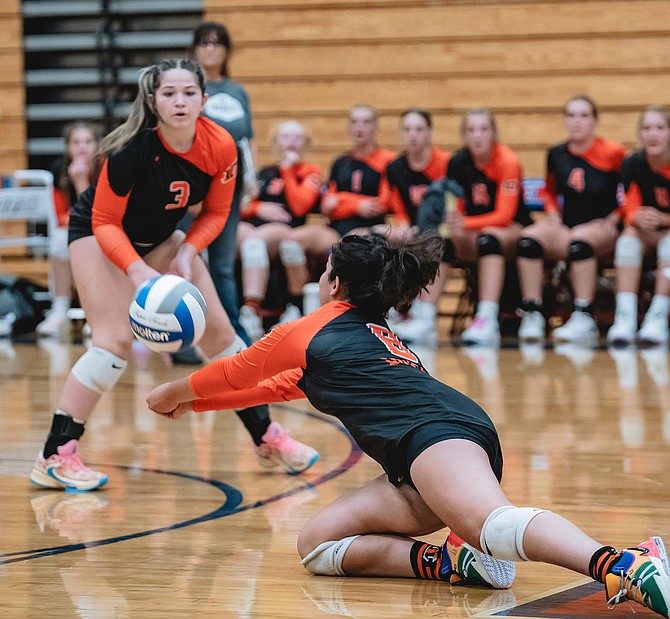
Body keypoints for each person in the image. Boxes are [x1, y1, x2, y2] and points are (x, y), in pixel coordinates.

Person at [147, 232, 670, 619]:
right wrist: (191, 408)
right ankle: (455, 564)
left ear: (336, 281)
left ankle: (625, 563)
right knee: (319, 546)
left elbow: (234, 371)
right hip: (417, 457)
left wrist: (169, 393)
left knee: (494, 523)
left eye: (325, 269)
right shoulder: (362, 334)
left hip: (435, 436)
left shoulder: (309, 330)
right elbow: (273, 388)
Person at [28, 58, 318, 492]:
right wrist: (136, 269)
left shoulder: (221, 145)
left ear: (204, 99)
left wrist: (189, 249)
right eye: (169, 93)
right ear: (153, 100)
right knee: (113, 344)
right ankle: (55, 454)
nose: (179, 101)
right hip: (97, 235)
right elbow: (106, 221)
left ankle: (267, 437)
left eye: (188, 93)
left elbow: (219, 212)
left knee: (224, 339)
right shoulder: (129, 150)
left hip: (164, 238)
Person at [394, 108, 532, 345]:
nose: (477, 135)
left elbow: (505, 215)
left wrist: (465, 223)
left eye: (483, 129)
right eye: (471, 130)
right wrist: (450, 223)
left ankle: (486, 319)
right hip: (474, 231)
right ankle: (425, 317)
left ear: (494, 134)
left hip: (513, 229)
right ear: (464, 135)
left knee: (489, 240)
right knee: (443, 241)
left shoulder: (507, 161)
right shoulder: (457, 163)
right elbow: (453, 207)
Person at [516, 94, 626, 342]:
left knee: (580, 243)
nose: (577, 122)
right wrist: (553, 214)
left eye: (584, 116)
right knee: (528, 240)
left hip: (602, 226)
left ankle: (583, 315)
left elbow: (630, 193)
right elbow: (550, 191)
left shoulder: (613, 153)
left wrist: (614, 217)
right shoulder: (557, 154)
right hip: (568, 224)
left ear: (595, 121)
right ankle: (532, 312)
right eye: (572, 115)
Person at [189, 21, 258, 345]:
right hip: (194, 184)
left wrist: (252, 179)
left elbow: (248, 140)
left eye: (217, 43)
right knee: (184, 257)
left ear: (227, 50)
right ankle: (184, 330)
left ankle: (231, 333)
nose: (210, 49)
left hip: (229, 186)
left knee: (223, 265)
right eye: (204, 43)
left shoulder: (237, 91)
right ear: (195, 49)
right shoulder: (189, 89)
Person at [237, 120, 332, 341]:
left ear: (306, 143)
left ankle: (253, 309)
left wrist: (289, 170)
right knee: (245, 238)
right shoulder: (266, 172)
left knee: (255, 241)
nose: (291, 142)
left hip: (286, 229)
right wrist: (260, 206)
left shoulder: (309, 171)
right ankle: (244, 311)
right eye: (285, 136)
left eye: (297, 137)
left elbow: (300, 206)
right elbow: (243, 206)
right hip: (257, 227)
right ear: (276, 142)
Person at [607, 105, 670, 345]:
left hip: (667, 230)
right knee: (627, 241)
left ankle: (658, 317)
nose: (652, 134)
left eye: (660, 128)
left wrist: (665, 219)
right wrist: (635, 217)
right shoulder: (632, 163)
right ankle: (625, 318)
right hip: (647, 231)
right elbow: (629, 203)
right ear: (640, 134)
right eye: (646, 128)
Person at [36, 122, 100, 336]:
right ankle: (60, 308)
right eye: (76, 142)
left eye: (88, 142)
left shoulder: (106, 168)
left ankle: (95, 311)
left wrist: (81, 182)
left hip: (106, 230)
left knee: (92, 244)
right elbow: (60, 215)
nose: (82, 147)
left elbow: (96, 215)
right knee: (59, 241)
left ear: (97, 145)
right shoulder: (59, 170)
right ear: (67, 147)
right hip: (77, 230)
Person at [321, 104, 396, 237]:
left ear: (376, 127)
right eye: (354, 122)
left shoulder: (388, 160)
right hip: (336, 229)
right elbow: (327, 205)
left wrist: (339, 201)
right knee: (298, 240)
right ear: (349, 128)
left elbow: (382, 204)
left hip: (371, 230)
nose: (359, 128)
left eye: (366, 122)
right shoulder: (340, 162)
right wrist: (356, 205)